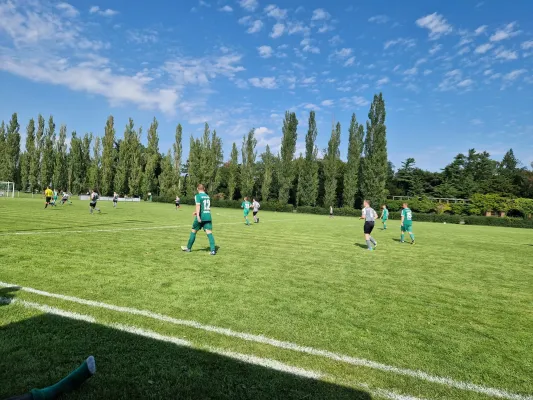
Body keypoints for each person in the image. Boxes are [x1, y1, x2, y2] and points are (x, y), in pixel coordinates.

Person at [181, 184, 216, 255]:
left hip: (201, 217)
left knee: (193, 231)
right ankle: (213, 250)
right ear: (204, 189)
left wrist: (198, 216)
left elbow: (198, 205)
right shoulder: (207, 196)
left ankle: (188, 248)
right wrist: (197, 213)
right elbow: (207, 207)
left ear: (197, 189)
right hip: (208, 216)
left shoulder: (197, 196)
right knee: (209, 233)